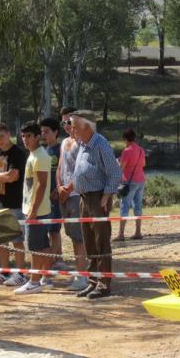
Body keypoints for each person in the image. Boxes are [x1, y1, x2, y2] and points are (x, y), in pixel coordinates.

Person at [67, 110, 121, 299]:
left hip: (97, 198)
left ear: (87, 127)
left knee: (101, 241)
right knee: (89, 241)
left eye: (74, 126)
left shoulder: (100, 144)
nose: (71, 129)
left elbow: (115, 172)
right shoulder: (81, 144)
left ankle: (103, 284)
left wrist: (106, 197)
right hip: (84, 198)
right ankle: (92, 281)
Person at [0, 122, 28, 287]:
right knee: (1, 240)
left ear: (8, 134)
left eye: (1, 136)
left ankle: (21, 273)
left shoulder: (18, 153)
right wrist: (0, 176)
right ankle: (4, 271)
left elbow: (13, 176)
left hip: (15, 202)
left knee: (17, 239)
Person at [13, 122, 53, 294]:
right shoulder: (33, 155)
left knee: (35, 247)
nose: (25, 139)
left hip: (36, 210)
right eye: (23, 136)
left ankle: (34, 281)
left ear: (38, 137)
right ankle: (45, 278)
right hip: (33, 208)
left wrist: (33, 211)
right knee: (43, 244)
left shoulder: (40, 156)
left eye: (29, 136)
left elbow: (42, 185)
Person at [56, 107, 88, 291]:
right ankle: (81, 272)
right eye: (64, 122)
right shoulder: (64, 142)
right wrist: (59, 187)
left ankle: (83, 276)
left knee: (79, 237)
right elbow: (60, 166)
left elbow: (82, 170)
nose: (67, 126)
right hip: (65, 195)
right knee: (72, 236)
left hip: (77, 194)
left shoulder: (82, 142)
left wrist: (68, 189)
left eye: (69, 122)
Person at [40, 117, 64, 284]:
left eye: (47, 131)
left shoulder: (60, 149)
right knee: (50, 230)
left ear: (56, 132)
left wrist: (57, 190)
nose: (44, 134)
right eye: (42, 132)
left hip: (56, 196)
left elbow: (64, 171)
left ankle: (55, 260)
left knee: (54, 230)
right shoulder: (44, 150)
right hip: (45, 197)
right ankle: (57, 257)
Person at [114, 128, 146, 241]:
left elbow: (121, 169)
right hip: (141, 180)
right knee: (138, 206)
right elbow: (143, 164)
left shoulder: (126, 151)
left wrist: (117, 162)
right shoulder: (141, 150)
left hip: (129, 182)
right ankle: (138, 232)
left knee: (125, 206)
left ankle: (121, 234)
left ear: (125, 139)